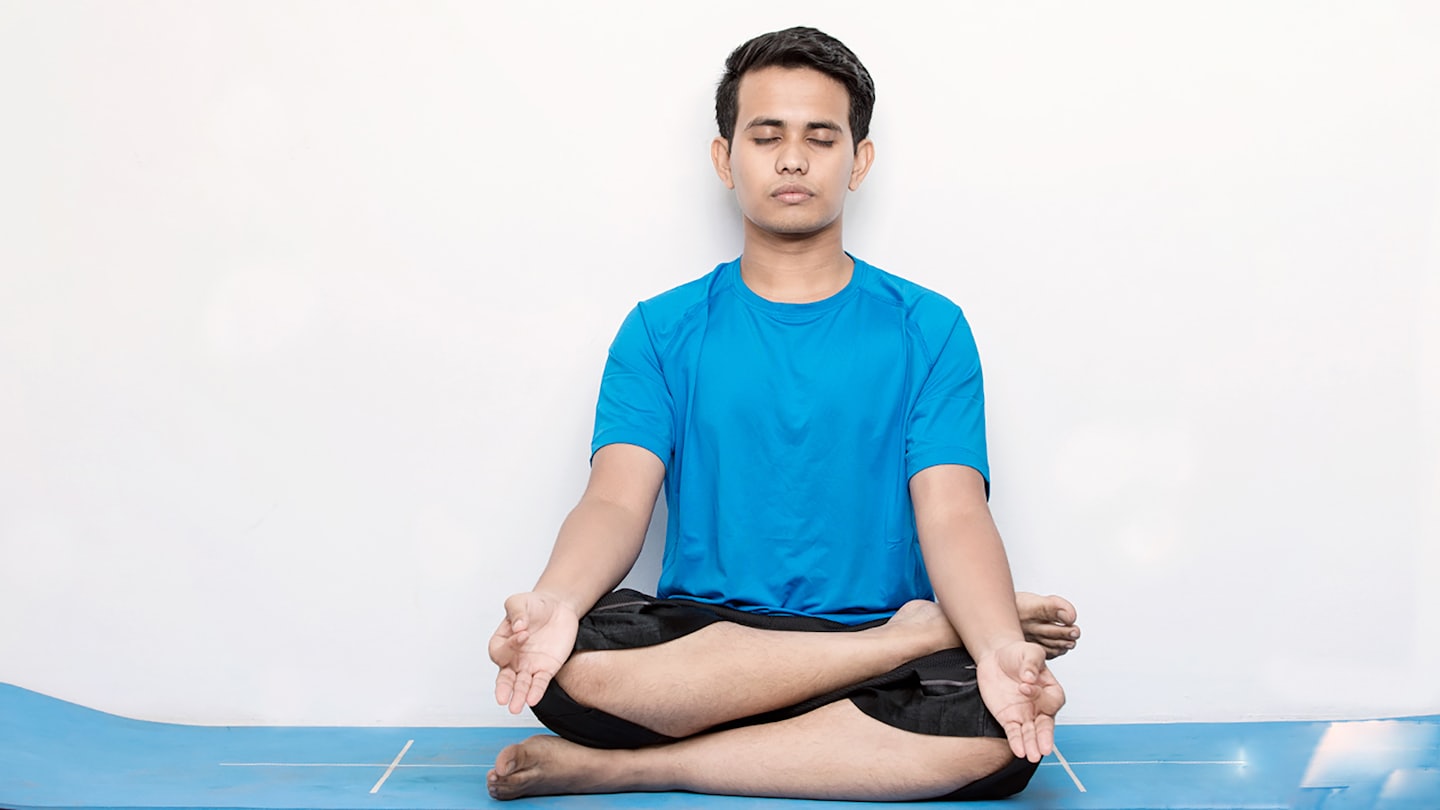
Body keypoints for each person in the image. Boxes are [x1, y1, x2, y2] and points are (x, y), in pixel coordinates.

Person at [485, 26, 1080, 802]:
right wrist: (556, 602)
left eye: (820, 138)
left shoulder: (929, 328)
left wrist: (996, 645)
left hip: (871, 640)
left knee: (999, 728)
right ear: (724, 158)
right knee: (568, 662)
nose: (792, 160)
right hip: (709, 651)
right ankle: (927, 633)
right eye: (766, 137)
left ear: (858, 161)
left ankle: (632, 768)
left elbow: (953, 510)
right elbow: (615, 500)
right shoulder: (661, 329)